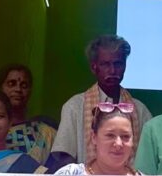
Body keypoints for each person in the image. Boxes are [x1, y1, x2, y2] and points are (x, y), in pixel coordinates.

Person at [49, 35, 152, 167]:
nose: (113, 71)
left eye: (118, 64)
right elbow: (64, 155)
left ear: (125, 66)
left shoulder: (139, 110)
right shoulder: (75, 106)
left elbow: (149, 158)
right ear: (94, 68)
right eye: (105, 64)